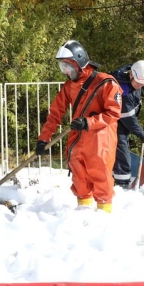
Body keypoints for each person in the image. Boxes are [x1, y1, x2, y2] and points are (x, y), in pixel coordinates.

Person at [35, 40, 123, 213]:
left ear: (80, 61)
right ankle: (83, 217)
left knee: (101, 179)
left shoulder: (105, 82)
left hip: (100, 141)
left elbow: (113, 113)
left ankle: (104, 219)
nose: (66, 72)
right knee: (80, 179)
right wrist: (43, 139)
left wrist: (88, 122)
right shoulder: (69, 86)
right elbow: (55, 114)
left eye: (68, 66)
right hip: (78, 140)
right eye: (63, 67)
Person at [110, 60, 144, 189]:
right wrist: (141, 134)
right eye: (138, 83)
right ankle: (121, 184)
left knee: (122, 150)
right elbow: (128, 119)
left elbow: (139, 73)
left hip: (123, 122)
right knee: (122, 153)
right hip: (115, 123)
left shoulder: (133, 72)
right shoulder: (123, 91)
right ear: (131, 76)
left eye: (143, 83)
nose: (140, 85)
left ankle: (115, 180)